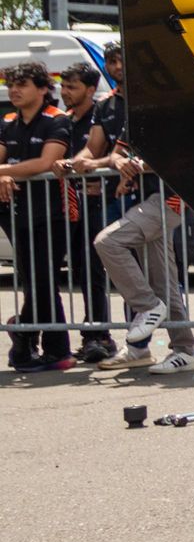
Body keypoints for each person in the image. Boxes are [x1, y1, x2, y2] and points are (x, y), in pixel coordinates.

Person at [92, 125, 194, 376]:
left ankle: (147, 306)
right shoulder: (136, 116)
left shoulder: (177, 117)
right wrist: (121, 164)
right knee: (165, 282)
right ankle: (185, 350)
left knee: (107, 242)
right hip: (147, 199)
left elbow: (188, 157)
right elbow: (116, 154)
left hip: (170, 198)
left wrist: (138, 165)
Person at [2, 63, 73, 372]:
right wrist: (4, 174)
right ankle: (30, 343)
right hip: (17, 213)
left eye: (22, 84)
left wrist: (3, 172)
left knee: (43, 280)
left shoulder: (57, 119)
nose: (14, 90)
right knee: (33, 280)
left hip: (51, 212)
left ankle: (40, 342)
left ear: (43, 88)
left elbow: (46, 162)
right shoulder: (7, 121)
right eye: (11, 85)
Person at [52, 61, 116, 366]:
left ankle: (99, 337)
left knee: (92, 272)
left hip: (96, 204)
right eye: (63, 86)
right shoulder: (62, 120)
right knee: (77, 270)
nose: (65, 92)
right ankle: (86, 336)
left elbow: (107, 155)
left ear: (90, 90)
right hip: (67, 206)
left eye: (72, 87)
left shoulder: (99, 116)